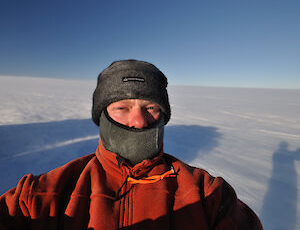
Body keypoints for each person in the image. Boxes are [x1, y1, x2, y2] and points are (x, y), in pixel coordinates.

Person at [0, 59, 263, 230]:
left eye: (151, 107)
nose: (138, 121)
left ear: (164, 115)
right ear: (101, 115)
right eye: (121, 107)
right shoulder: (43, 195)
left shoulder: (208, 194)